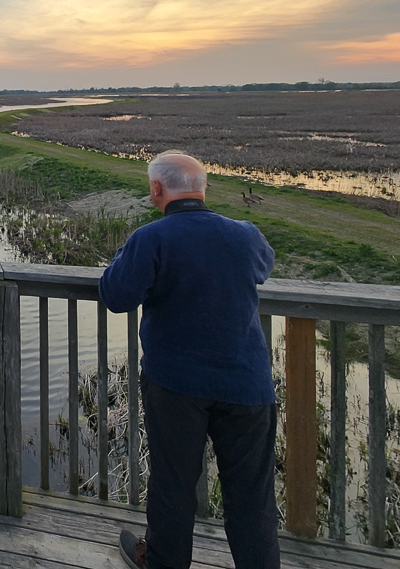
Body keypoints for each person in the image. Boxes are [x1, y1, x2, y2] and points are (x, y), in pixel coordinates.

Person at [100, 151, 279, 569]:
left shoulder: (152, 238)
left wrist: (125, 253)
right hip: (247, 384)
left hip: (176, 385)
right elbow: (263, 268)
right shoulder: (246, 234)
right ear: (203, 189)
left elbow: (116, 295)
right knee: (252, 496)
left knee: (173, 486)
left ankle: (163, 562)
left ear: (156, 189)